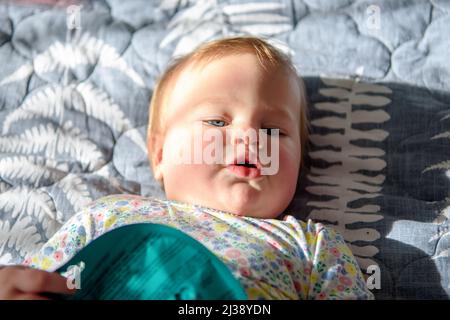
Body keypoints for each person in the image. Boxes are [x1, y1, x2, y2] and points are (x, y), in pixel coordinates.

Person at [0, 36, 374, 300]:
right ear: (160, 156)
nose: (248, 135)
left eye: (273, 130)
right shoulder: (109, 215)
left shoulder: (311, 246)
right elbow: (36, 280)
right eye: (216, 122)